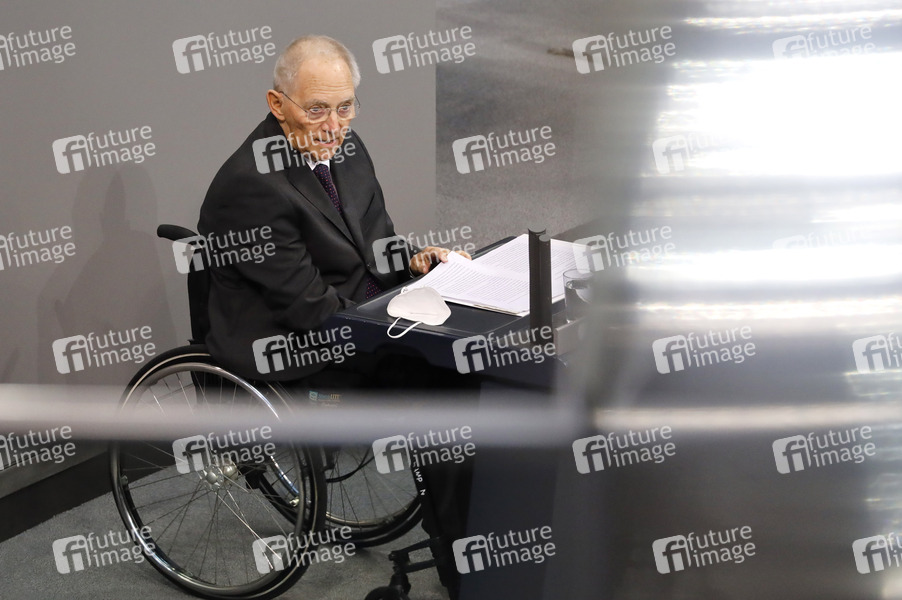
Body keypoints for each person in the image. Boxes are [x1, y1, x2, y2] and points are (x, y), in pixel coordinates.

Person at [198, 35, 469, 382]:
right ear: (278, 104)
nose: (333, 127)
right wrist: (397, 329)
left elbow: (374, 245)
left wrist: (416, 262)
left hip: (361, 319)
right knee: (450, 372)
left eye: (344, 108)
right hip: (302, 352)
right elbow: (308, 308)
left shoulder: (346, 147)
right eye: (316, 110)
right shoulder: (250, 188)